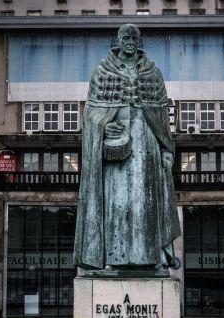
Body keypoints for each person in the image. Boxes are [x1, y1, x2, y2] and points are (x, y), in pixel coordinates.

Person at [73, 24, 181, 272]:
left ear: (139, 41)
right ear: (118, 40)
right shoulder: (102, 72)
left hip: (148, 146)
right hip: (117, 149)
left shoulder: (153, 73)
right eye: (126, 37)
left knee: (146, 205)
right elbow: (90, 114)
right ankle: (114, 259)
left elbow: (162, 117)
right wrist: (103, 128)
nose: (130, 41)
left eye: (134, 37)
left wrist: (166, 150)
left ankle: (149, 258)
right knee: (116, 204)